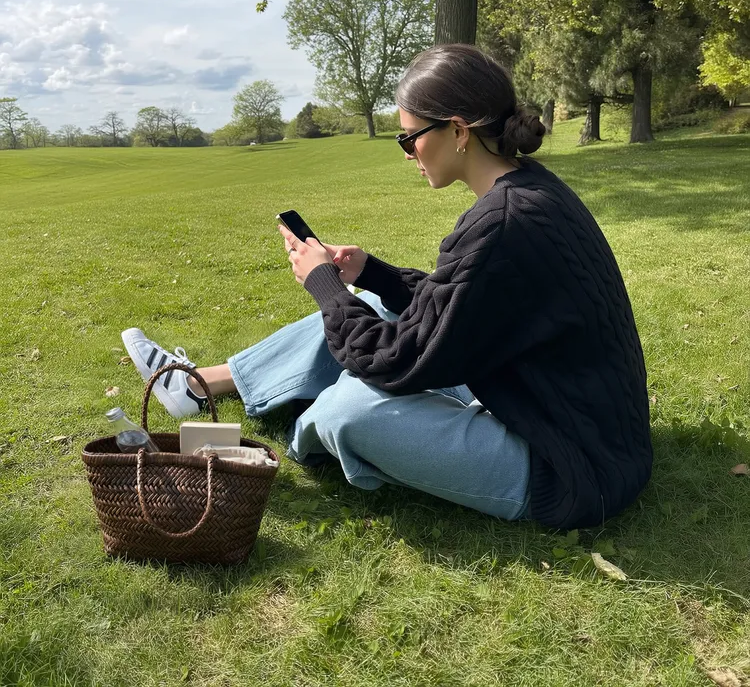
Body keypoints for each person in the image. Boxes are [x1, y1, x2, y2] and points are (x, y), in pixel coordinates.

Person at [121, 44, 653, 530]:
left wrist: (324, 285)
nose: (406, 152)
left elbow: (399, 360)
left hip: (570, 466)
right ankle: (197, 386)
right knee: (374, 299)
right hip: (556, 408)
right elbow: (460, 306)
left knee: (348, 409)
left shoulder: (502, 224)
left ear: (458, 131)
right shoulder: (528, 188)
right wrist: (369, 273)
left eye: (409, 137)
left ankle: (284, 441)